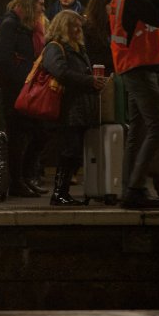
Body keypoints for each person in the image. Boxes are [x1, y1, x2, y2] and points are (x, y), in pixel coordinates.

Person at [110, 0, 159, 209]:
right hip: (140, 67)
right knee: (158, 126)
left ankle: (129, 188)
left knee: (138, 130)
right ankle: (135, 187)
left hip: (130, 66)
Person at [41, 11, 107, 205]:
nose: (79, 30)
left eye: (79, 26)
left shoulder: (77, 47)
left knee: (74, 151)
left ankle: (63, 192)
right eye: (74, 26)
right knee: (70, 149)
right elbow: (60, 71)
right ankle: (59, 192)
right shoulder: (55, 47)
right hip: (68, 107)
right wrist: (89, 80)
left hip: (79, 107)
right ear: (63, 26)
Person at [0, 0, 50, 198]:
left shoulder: (30, 27)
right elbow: (3, 58)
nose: (43, 7)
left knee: (39, 133)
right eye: (40, 3)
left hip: (29, 89)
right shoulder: (11, 25)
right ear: (29, 4)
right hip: (16, 90)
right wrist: (24, 77)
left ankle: (25, 177)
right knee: (18, 137)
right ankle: (18, 181)